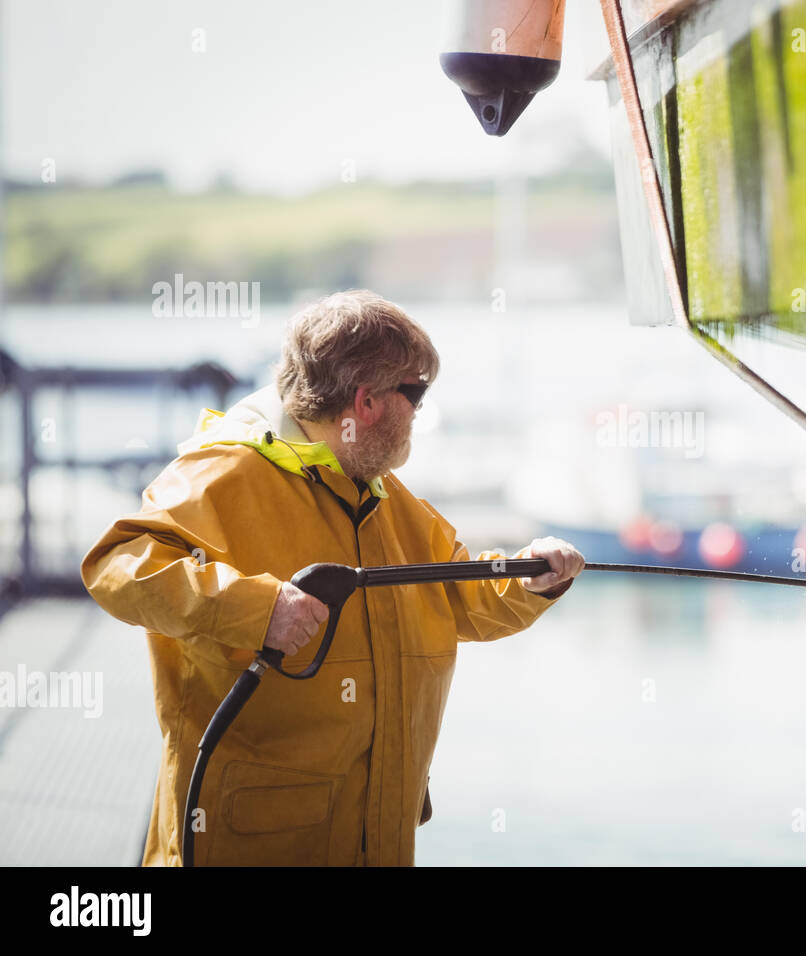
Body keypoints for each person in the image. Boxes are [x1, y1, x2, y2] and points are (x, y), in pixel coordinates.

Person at [80, 290, 584, 866]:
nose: (419, 411)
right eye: (415, 392)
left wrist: (530, 577)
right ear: (367, 402)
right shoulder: (224, 473)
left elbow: (461, 599)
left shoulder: (386, 499)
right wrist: (256, 607)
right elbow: (115, 563)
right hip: (248, 846)